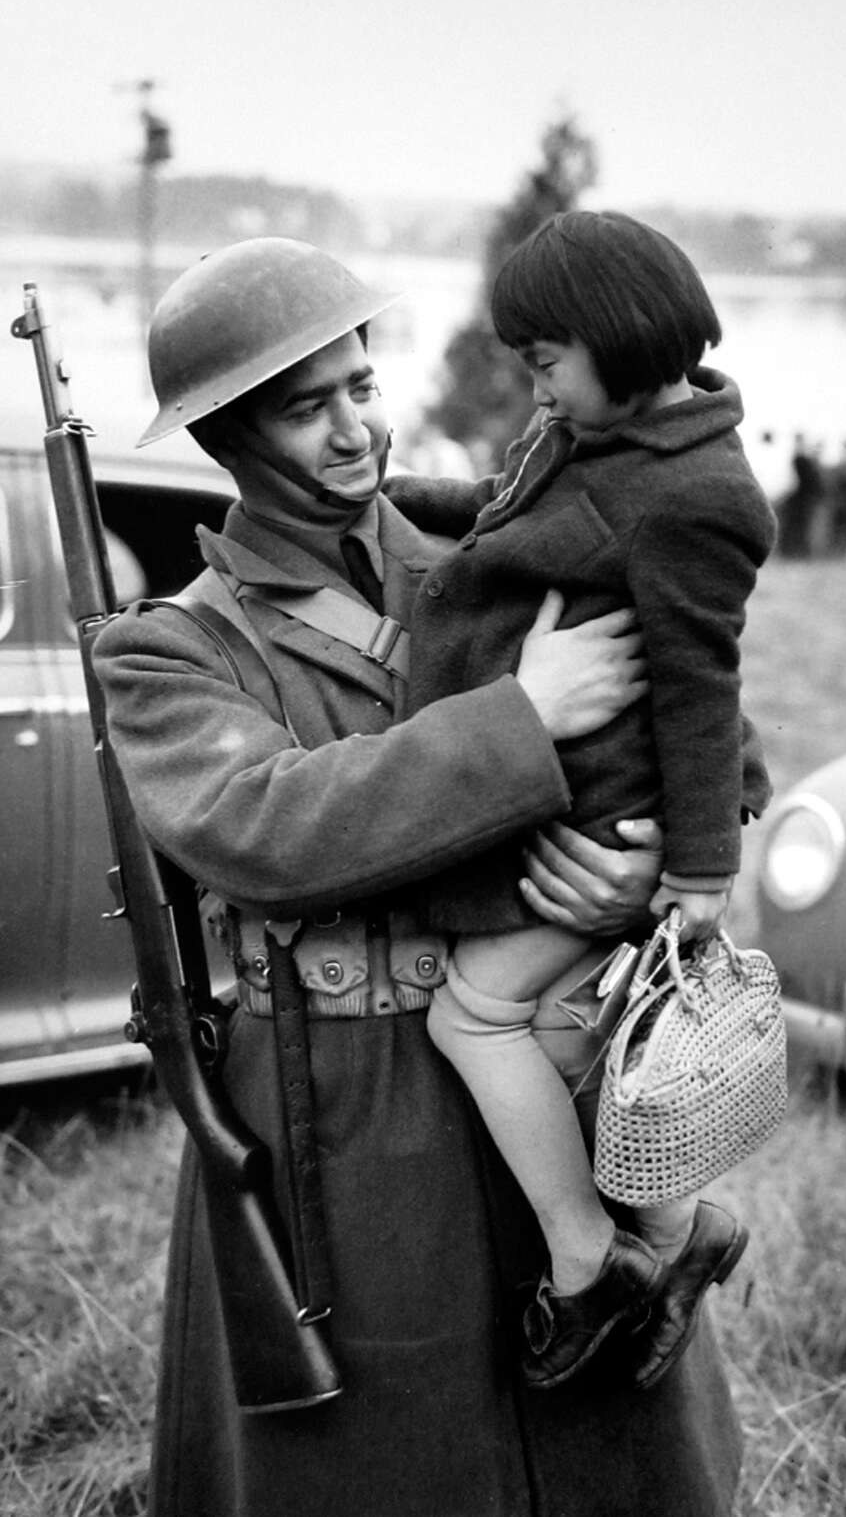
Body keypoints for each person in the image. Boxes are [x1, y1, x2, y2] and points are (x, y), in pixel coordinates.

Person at [92, 237, 745, 1517]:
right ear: (229, 437)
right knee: (388, 1465)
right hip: (342, 1124)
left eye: (362, 385)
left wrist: (638, 871)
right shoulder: (168, 652)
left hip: (536, 1072)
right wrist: (523, 719)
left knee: (615, 1449)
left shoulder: (498, 555)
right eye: (306, 406)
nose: (356, 429)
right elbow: (262, 826)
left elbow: (706, 719)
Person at [384, 210, 776, 1395]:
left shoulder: (695, 498)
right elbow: (524, 523)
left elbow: (704, 691)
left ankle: (586, 1258)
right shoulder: (603, 434)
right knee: (570, 1031)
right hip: (575, 793)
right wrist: (404, 499)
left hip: (616, 818)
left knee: (477, 1016)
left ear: (614, 339)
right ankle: (678, 1229)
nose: (536, 388)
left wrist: (700, 873)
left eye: (547, 361)